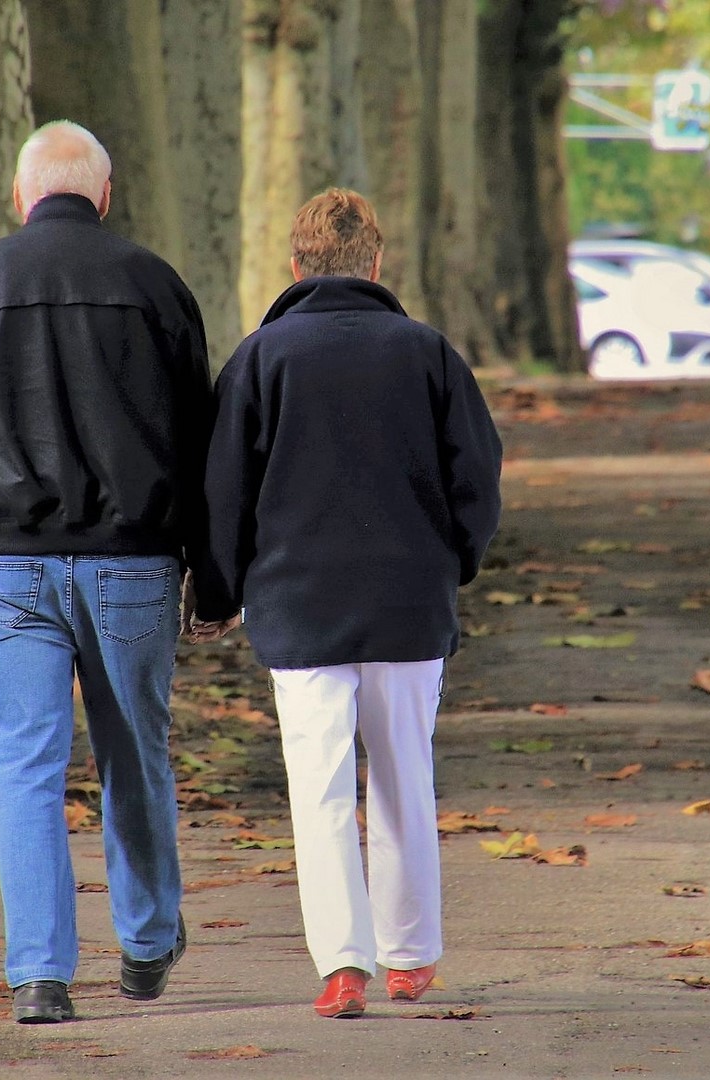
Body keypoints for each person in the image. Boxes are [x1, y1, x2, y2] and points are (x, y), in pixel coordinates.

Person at [0, 120, 215, 1024]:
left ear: (21, 195)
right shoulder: (156, 286)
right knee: (133, 754)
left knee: (26, 767)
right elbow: (202, 439)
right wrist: (208, 562)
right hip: (132, 564)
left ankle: (39, 973)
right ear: (104, 194)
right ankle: (147, 942)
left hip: (8, 563)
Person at [191, 189, 502, 1018]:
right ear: (376, 263)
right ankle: (411, 955)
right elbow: (477, 475)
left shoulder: (260, 359)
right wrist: (454, 563)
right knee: (405, 776)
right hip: (408, 599)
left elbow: (224, 492)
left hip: (297, 605)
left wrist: (217, 592)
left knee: (318, 789)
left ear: (294, 268)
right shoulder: (428, 353)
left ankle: (342, 963)